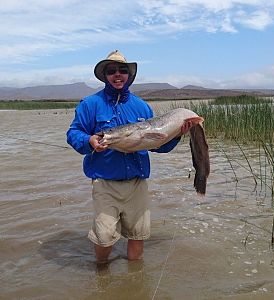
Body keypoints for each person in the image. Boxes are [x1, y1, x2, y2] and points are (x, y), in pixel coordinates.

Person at [66, 50, 192, 264]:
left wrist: (178, 134)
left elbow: (157, 146)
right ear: (105, 74)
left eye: (122, 70)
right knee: (104, 237)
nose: (118, 74)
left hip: (137, 182)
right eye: (112, 70)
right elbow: (73, 133)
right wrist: (89, 141)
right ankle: (102, 272)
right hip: (105, 183)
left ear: (129, 75)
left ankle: (134, 278)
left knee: (138, 234)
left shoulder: (141, 106)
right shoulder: (90, 104)